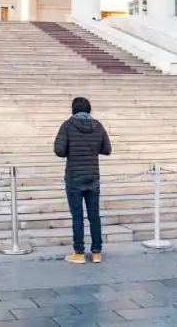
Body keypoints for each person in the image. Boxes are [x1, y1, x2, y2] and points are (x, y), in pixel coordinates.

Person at [53, 97, 112, 264]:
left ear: (73, 109)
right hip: (93, 177)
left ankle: (79, 252)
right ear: (89, 109)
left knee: (77, 216)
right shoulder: (98, 125)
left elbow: (59, 150)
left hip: (74, 177)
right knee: (94, 216)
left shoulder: (67, 126)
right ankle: (96, 253)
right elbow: (107, 149)